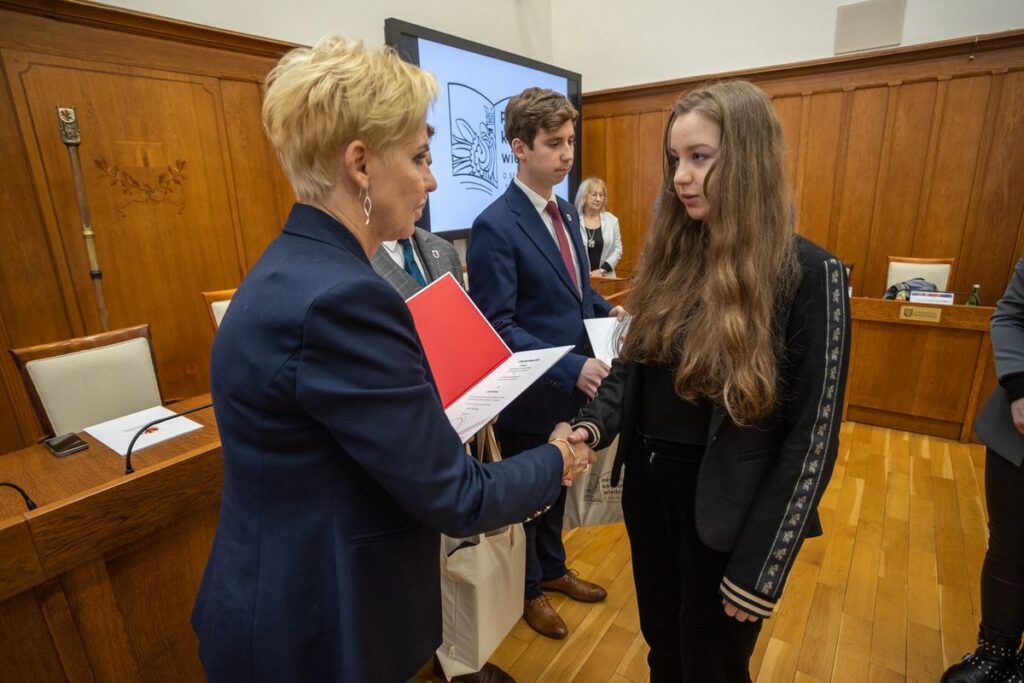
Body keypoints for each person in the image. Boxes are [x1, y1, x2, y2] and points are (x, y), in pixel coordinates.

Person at [190, 37, 595, 683]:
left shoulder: (290, 264)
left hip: (280, 600)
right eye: (419, 157)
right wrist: (559, 457)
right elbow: (457, 496)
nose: (432, 180)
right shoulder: (346, 297)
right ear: (360, 164)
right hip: (316, 627)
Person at [568, 80, 852, 682]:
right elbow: (631, 364)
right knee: (664, 651)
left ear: (747, 160)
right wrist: (592, 425)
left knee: (713, 668)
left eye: (700, 158)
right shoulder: (673, 255)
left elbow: (813, 439)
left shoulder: (809, 272)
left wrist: (762, 569)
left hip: (727, 513)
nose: (681, 176)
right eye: (676, 159)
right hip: (651, 495)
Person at [466, 87, 623, 640]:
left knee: (562, 485)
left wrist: (608, 309)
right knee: (531, 496)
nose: (567, 155)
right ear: (518, 146)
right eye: (554, 143)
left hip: (573, 386)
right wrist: (569, 368)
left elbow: (576, 298)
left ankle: (553, 570)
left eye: (570, 142)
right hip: (533, 393)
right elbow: (498, 327)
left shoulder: (567, 213)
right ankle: (528, 590)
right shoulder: (495, 225)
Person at [371, 178, 514, 683]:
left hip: (465, 424)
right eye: (416, 160)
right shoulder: (355, 262)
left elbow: (467, 328)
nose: (430, 179)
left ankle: (457, 654)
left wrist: (492, 386)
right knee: (412, 558)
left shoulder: (438, 249)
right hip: (406, 433)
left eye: (430, 160)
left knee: (457, 549)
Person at [942, 255, 1024, 683]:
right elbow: (1010, 314)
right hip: (1019, 430)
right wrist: (1020, 386)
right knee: (1008, 547)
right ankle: (994, 651)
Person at [574, 177, 622, 277]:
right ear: (584, 197)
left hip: (605, 278)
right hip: (580, 277)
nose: (598, 199)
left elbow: (617, 250)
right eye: (594, 195)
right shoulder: (573, 220)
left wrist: (601, 270)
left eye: (601, 195)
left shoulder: (612, 221)